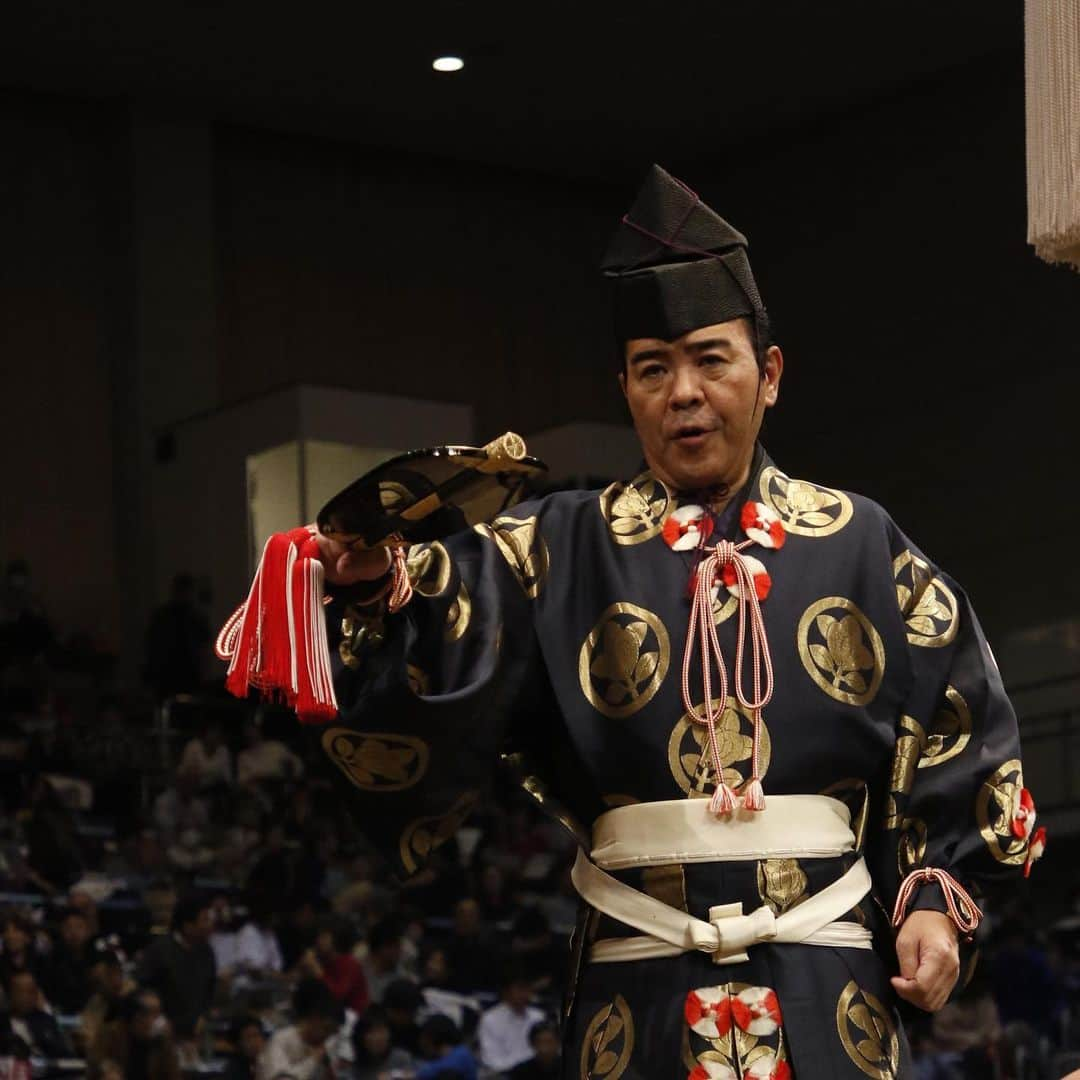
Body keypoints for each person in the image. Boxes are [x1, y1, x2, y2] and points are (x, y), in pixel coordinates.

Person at [224, 166, 1039, 1076]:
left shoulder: (860, 537)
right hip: (635, 984)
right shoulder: (555, 547)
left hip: (827, 981)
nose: (683, 391)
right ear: (624, 387)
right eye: (654, 368)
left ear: (768, 374)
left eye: (710, 359)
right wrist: (375, 581)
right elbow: (441, 626)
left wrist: (935, 894)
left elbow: (964, 728)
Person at [135, 893, 217, 1046]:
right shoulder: (159, 951)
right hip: (161, 1032)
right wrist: (158, 1020)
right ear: (188, 925)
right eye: (205, 920)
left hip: (195, 1033)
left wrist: (203, 1016)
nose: (210, 925)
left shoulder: (207, 952)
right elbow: (144, 990)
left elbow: (209, 991)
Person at [255, 978, 343, 1080]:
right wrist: (313, 1060)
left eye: (332, 1033)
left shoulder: (325, 1047)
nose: (327, 1037)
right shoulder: (281, 1040)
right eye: (326, 1029)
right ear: (314, 1018)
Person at [91, 989, 181, 1080]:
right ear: (135, 1016)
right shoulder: (110, 1034)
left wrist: (168, 1044)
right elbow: (96, 1065)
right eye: (153, 1013)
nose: (159, 1020)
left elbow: (173, 1076)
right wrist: (106, 1069)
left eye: (159, 1013)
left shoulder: (162, 1041)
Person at [476, 968, 544, 1075]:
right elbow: (491, 1060)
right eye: (520, 988)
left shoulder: (539, 1016)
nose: (524, 993)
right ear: (506, 991)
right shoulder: (490, 1019)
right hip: (506, 1074)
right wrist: (521, 1069)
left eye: (527, 988)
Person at [299, 921, 369, 1014]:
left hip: (352, 1017)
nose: (318, 941)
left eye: (324, 937)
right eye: (319, 936)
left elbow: (336, 996)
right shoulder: (323, 958)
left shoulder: (349, 963)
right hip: (329, 1014)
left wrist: (317, 971)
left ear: (337, 939)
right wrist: (306, 969)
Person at [0, 970, 70, 1058]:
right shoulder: (2, 1023)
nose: (26, 997)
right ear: (10, 994)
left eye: (31, 992)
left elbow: (63, 1054)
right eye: (21, 991)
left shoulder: (46, 1021)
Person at [40, 906, 95, 1014]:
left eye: (79, 927)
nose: (74, 933)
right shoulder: (50, 961)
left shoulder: (98, 959)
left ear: (88, 930)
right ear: (61, 930)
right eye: (68, 927)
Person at [349, 1007, 413, 1080]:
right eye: (371, 1032)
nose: (378, 1037)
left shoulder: (401, 1058)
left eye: (381, 1030)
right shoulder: (355, 1070)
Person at [413, 1014, 477, 1080]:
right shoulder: (452, 1053)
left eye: (424, 1036)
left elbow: (447, 1068)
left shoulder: (460, 1056)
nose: (421, 1040)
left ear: (432, 1037)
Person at [223, 1014, 265, 1080]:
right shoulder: (234, 1071)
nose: (254, 1042)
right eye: (248, 1038)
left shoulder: (269, 1062)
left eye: (256, 1035)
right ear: (238, 1043)